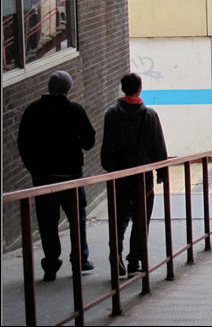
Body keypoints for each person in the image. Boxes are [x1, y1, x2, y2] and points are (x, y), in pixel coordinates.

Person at [17, 70, 96, 280]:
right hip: (71, 175)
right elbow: (89, 142)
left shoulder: (33, 110)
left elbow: (23, 143)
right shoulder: (74, 110)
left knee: (47, 222)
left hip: (43, 177)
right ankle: (80, 260)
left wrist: (33, 168)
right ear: (68, 89)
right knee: (76, 219)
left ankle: (51, 264)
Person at [102, 73, 168, 277]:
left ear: (123, 89)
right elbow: (158, 146)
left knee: (119, 217)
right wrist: (161, 172)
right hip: (142, 178)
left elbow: (107, 148)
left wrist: (110, 169)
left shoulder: (111, 114)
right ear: (140, 89)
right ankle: (134, 261)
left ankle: (116, 254)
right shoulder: (149, 115)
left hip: (119, 177)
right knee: (141, 219)